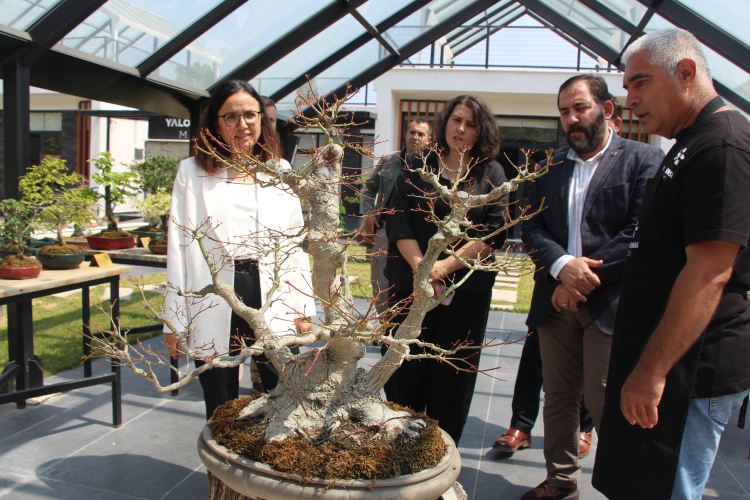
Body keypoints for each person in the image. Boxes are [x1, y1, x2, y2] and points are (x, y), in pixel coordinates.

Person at [593, 29, 750, 500]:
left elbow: (709, 272)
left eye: (641, 82)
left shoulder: (722, 145)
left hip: (686, 373)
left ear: (686, 72)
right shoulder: (689, 141)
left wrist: (651, 371)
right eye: (627, 87)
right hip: (661, 366)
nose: (630, 99)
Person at [519, 74, 663, 500]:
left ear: (607, 109)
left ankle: (625, 488)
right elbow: (531, 226)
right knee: (558, 397)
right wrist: (562, 266)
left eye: (580, 107)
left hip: (612, 304)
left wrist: (580, 280)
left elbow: (640, 231)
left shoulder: (642, 159)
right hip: (555, 303)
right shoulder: (549, 167)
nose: (571, 119)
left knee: (607, 401)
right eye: (564, 111)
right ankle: (561, 481)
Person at [163, 80, 316, 420]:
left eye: (250, 114)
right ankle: (221, 453)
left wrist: (303, 307)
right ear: (215, 123)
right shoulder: (191, 172)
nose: (242, 124)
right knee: (220, 402)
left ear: (261, 118)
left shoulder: (280, 170)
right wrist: (174, 319)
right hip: (215, 293)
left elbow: (294, 245)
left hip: (272, 292)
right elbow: (178, 246)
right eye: (230, 117)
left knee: (282, 394)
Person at [383, 95, 507, 445]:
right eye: (456, 120)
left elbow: (494, 231)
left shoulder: (491, 172)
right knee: (405, 367)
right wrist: (421, 267)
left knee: (453, 372)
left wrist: (444, 267)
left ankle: (441, 450)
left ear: (481, 131)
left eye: (471, 124)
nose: (461, 129)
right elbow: (398, 218)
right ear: (445, 123)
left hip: (465, 292)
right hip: (411, 285)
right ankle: (399, 447)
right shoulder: (418, 163)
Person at [362, 118, 431, 312]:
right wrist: (370, 212)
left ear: (428, 140)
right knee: (380, 281)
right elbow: (369, 187)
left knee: (415, 281)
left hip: (417, 234)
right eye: (412, 132)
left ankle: (412, 323)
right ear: (406, 134)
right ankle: (386, 324)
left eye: (421, 134)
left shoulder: (432, 166)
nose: (415, 137)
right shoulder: (389, 160)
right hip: (386, 229)